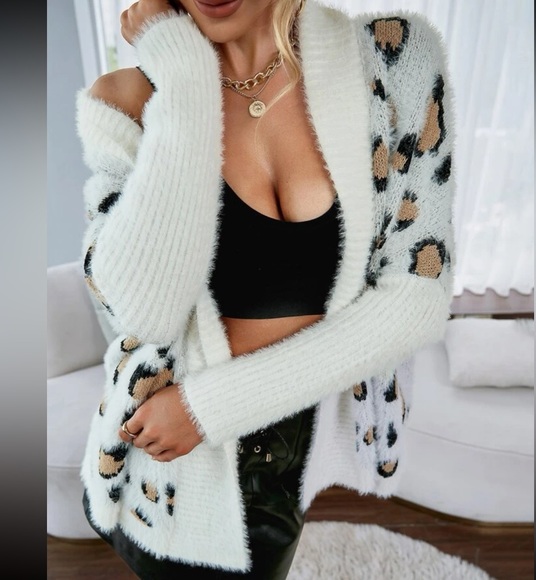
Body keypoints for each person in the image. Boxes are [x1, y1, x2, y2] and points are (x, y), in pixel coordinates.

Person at [76, 0, 456, 577]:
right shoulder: (127, 99)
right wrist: (186, 82)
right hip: (167, 468)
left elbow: (417, 298)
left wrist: (209, 409)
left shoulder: (392, 59)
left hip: (271, 443)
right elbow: (145, 312)